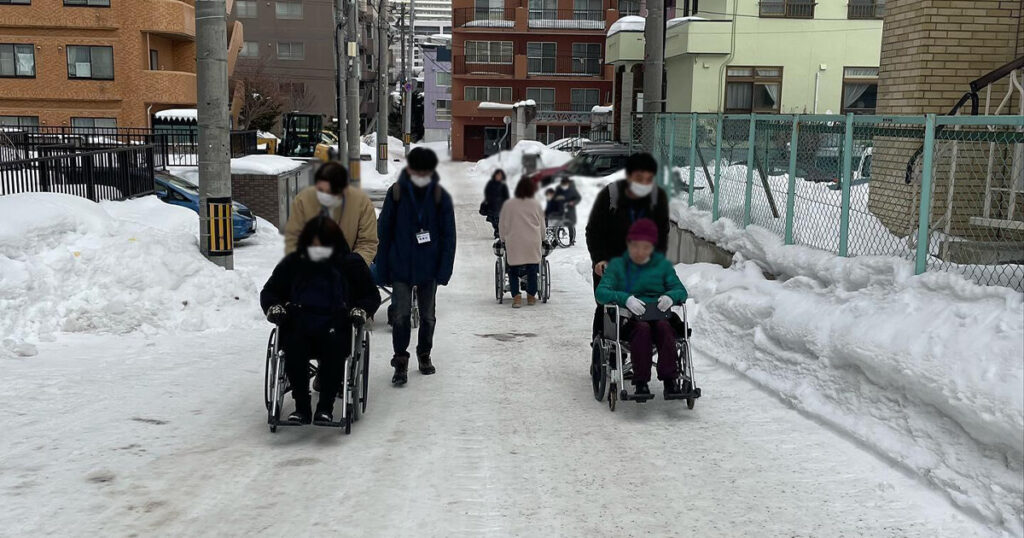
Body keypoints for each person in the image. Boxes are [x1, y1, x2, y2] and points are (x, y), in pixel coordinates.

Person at [260, 216, 382, 425]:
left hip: (337, 322)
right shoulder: (294, 262)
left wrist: (361, 310)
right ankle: (302, 407)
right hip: (300, 321)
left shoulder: (350, 263)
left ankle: (325, 407)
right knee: (293, 347)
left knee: (335, 348)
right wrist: (274, 307)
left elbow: (371, 295)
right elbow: (270, 291)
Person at [377, 147, 457, 386]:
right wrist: (383, 269)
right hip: (400, 265)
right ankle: (400, 359)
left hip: (429, 268)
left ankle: (424, 353)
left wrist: (444, 270)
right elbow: (384, 232)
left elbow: (448, 237)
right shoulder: (397, 193)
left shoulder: (440, 197)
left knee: (428, 316)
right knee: (400, 316)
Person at [595, 219, 688, 397]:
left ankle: (670, 380)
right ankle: (641, 382)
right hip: (631, 319)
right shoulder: (617, 267)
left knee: (664, 328)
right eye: (636, 246)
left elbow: (681, 291)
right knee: (642, 330)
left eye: (645, 247)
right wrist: (626, 299)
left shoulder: (662, 266)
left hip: (660, 315)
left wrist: (670, 297)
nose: (640, 252)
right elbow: (601, 293)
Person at [585, 152, 669, 337]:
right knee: (608, 309)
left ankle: (642, 344)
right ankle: (603, 353)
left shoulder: (658, 198)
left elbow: (662, 235)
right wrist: (599, 259)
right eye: (639, 178)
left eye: (648, 179)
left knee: (646, 306)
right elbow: (594, 231)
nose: (643, 183)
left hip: (643, 265)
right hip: (611, 265)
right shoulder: (611, 195)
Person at [284, 161, 378, 266]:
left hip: (348, 272)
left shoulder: (362, 204)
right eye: (320, 190)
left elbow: (367, 243)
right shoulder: (302, 200)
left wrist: (353, 267)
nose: (325, 195)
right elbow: (294, 238)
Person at [499, 177, 546, 308]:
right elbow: (542, 225)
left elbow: (502, 224)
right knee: (532, 268)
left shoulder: (508, 204)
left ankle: (517, 297)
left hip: (514, 241)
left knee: (513, 269)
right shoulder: (536, 204)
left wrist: (503, 239)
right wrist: (543, 238)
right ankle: (531, 295)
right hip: (532, 241)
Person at [552, 177, 582, 245]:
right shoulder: (558, 188)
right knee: (557, 224)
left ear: (568, 183)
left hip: (570, 209)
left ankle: (572, 240)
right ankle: (556, 240)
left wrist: (573, 202)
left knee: (570, 225)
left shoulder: (572, 190)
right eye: (563, 184)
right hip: (560, 208)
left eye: (565, 184)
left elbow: (578, 198)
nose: (564, 186)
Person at [482, 169, 510, 239]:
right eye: (497, 175)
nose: (498, 177)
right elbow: (487, 193)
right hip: (492, 205)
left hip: (500, 206)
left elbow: (506, 196)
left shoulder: (503, 185)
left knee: (499, 220)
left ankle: (498, 231)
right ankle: (496, 229)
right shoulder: (490, 183)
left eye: (500, 175)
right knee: (493, 220)